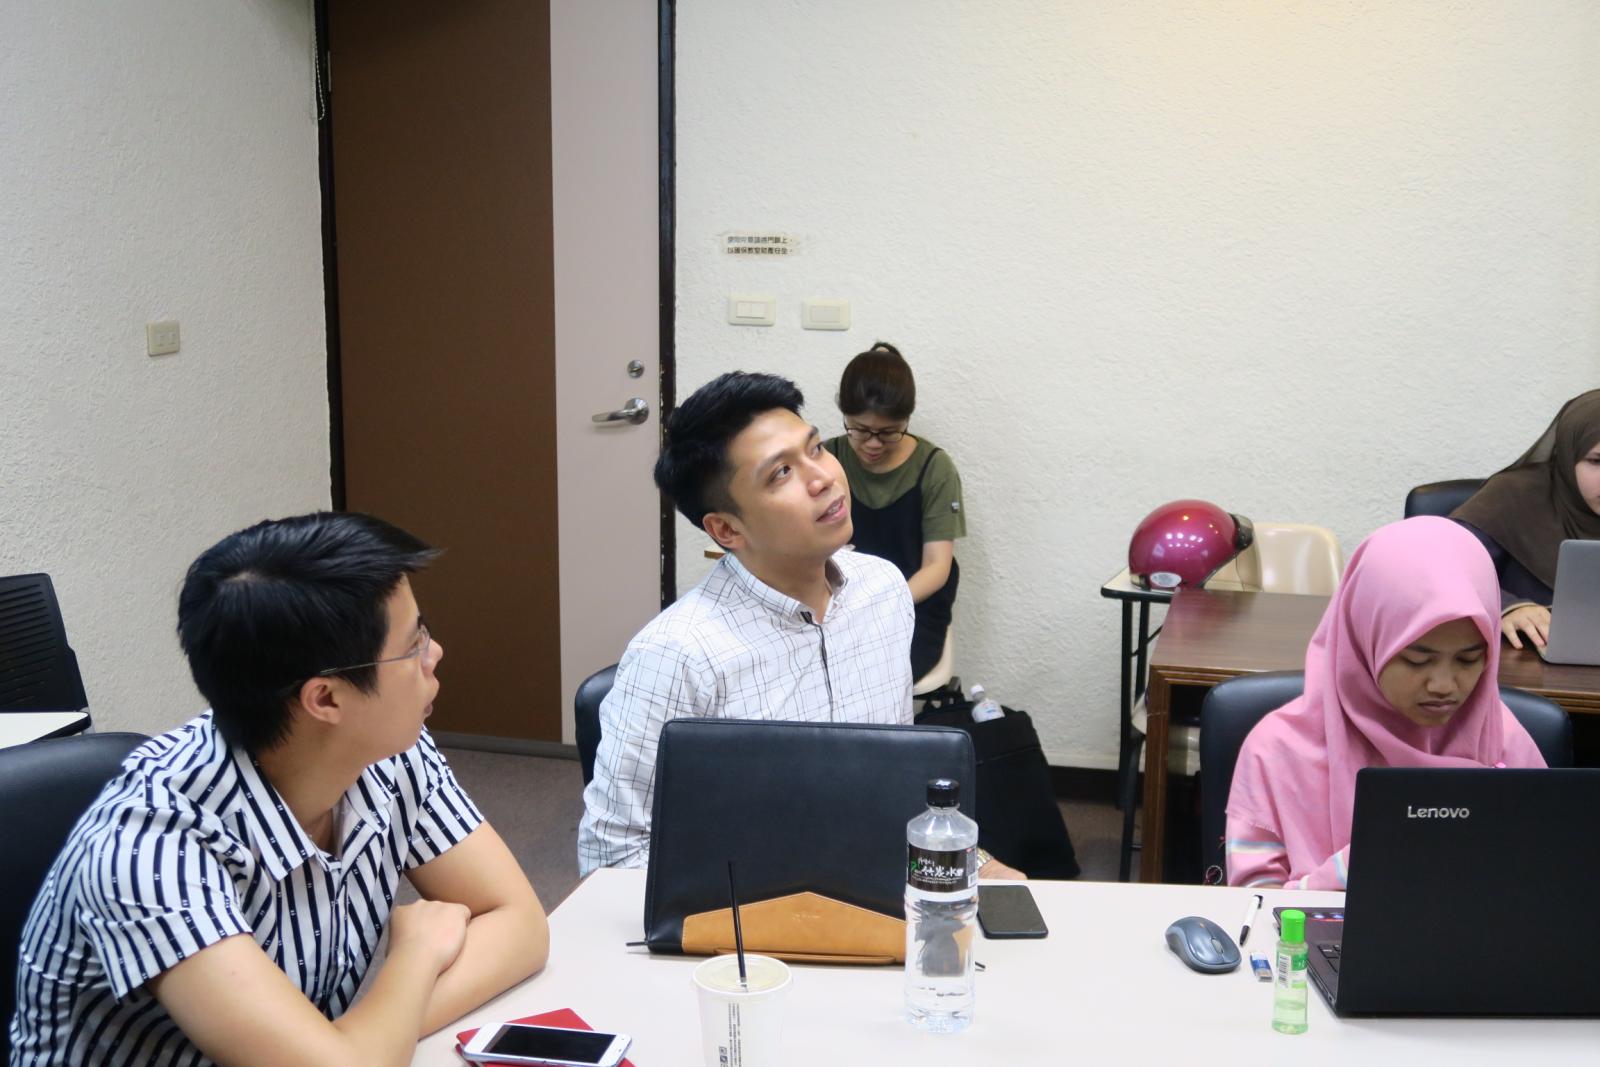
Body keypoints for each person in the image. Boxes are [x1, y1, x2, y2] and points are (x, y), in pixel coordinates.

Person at [10, 513, 549, 1067]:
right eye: (413, 645)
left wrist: (360, 1043)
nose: (435, 655)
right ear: (326, 699)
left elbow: (520, 925)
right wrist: (414, 957)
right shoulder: (149, 853)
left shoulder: (386, 749)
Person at [578, 371, 1020, 879]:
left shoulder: (883, 590)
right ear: (726, 529)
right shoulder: (677, 655)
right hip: (748, 907)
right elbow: (611, 855)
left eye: (816, 448)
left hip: (875, 886)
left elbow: (893, 784)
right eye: (781, 473)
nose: (823, 477)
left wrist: (971, 862)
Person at [1225, 517, 1545, 890]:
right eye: (1417, 660)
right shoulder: (1278, 749)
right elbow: (1252, 900)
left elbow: (1548, 871)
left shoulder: (1502, 736)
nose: (1443, 685)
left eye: (1468, 659)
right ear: (1364, 640)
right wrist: (1353, 869)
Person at [824, 342, 965, 680]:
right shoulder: (827, 460)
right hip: (836, 606)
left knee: (871, 678)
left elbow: (937, 567)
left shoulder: (935, 468)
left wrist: (880, 606)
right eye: (860, 429)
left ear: (907, 419)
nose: (873, 443)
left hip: (912, 605)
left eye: (888, 432)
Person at [1452, 388, 1600, 649]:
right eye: (1596, 462)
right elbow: (1441, 567)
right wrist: (1508, 606)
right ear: (1569, 455)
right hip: (1520, 659)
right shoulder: (1515, 495)